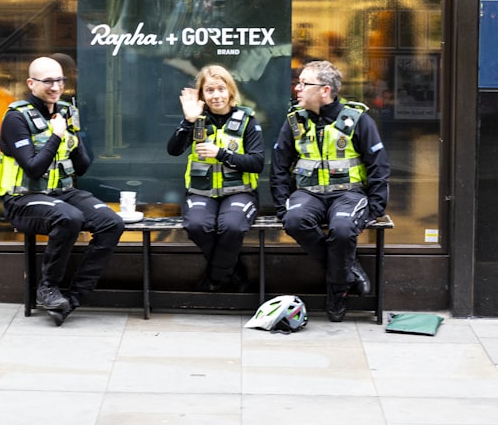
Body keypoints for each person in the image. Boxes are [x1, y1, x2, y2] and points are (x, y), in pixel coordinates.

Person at [0, 56, 124, 325]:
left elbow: (83, 167)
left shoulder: (65, 111)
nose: (56, 87)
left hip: (61, 192)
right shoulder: (16, 118)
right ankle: (48, 288)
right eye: (48, 81)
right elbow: (33, 169)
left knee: (111, 222)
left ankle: (74, 298)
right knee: (69, 218)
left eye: (60, 80)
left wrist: (73, 139)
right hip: (23, 198)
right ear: (31, 83)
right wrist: (55, 136)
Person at [270, 60, 390, 322]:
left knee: (343, 228)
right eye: (298, 83)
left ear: (325, 90)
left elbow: (379, 166)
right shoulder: (294, 122)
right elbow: (279, 167)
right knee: (294, 220)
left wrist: (375, 208)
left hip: (348, 193)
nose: (297, 88)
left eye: (304, 83)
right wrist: (282, 206)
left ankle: (337, 293)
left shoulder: (359, 120)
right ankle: (347, 270)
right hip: (308, 193)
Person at [167, 64, 265, 292]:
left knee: (231, 227)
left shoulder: (247, 119)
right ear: (202, 95)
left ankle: (214, 278)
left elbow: (257, 163)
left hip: (239, 192)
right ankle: (234, 271)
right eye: (209, 90)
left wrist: (221, 154)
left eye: (221, 89)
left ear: (230, 90)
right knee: (197, 225)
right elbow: (173, 149)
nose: (216, 95)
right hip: (202, 191)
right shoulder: (197, 120)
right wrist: (188, 121)